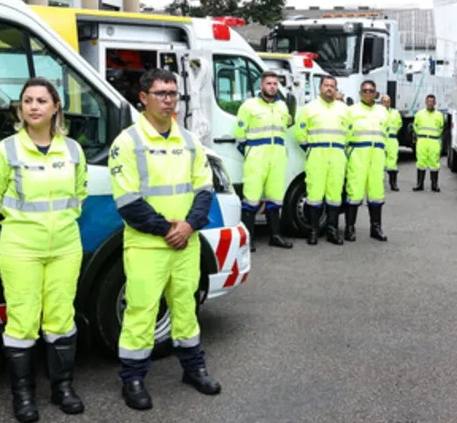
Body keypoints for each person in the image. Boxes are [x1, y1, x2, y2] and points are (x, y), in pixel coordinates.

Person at [109, 68, 220, 411]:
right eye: (160, 93)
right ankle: (133, 379)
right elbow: (127, 200)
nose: (169, 99)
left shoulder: (189, 140)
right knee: (141, 311)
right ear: (143, 98)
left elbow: (205, 189)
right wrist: (168, 229)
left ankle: (194, 368)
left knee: (186, 308)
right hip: (146, 245)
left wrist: (188, 227)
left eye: (173, 93)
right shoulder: (127, 142)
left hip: (185, 243)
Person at [0, 78, 87, 422]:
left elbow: (79, 196)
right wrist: (24, 229)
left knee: (61, 319)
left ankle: (63, 388)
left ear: (56, 106)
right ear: (20, 108)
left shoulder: (73, 150)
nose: (34, 107)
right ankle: (24, 396)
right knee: (23, 322)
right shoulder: (6, 151)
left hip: (66, 248)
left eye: (42, 100)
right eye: (27, 100)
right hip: (20, 249)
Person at [234, 70, 293, 251]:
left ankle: (275, 236)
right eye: (269, 83)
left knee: (275, 197)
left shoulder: (283, 106)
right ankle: (248, 240)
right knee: (251, 198)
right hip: (257, 155)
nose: (272, 87)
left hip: (278, 155)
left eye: (275, 84)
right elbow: (240, 136)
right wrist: (252, 152)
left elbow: (288, 125)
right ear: (261, 85)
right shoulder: (249, 106)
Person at [295, 75, 349, 246]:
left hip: (337, 154)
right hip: (317, 153)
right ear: (320, 88)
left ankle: (332, 231)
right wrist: (312, 149)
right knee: (314, 193)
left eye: (332, 86)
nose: (329, 88)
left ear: (336, 88)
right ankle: (313, 230)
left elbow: (350, 133)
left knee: (334, 194)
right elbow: (300, 134)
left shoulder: (344, 109)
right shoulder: (309, 108)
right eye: (326, 85)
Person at [343, 80, 389, 242]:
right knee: (354, 191)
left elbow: (387, 133)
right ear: (360, 93)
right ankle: (349, 228)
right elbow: (345, 134)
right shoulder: (351, 111)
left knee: (376, 192)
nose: (368, 93)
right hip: (358, 154)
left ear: (376, 93)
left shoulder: (383, 111)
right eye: (365, 91)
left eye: (371, 90)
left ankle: (376, 227)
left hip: (377, 155)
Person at [412, 94, 445, 192]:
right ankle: (419, 184)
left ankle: (434, 185)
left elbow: (441, 127)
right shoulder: (419, 114)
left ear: (435, 103)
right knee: (421, 162)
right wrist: (419, 135)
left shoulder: (439, 115)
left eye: (432, 101)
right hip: (422, 140)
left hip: (434, 141)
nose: (430, 103)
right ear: (426, 102)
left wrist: (436, 136)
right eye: (428, 101)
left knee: (434, 163)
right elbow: (415, 126)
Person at [381, 94, 402, 192]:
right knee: (379, 162)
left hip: (392, 139)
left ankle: (393, 184)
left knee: (392, 162)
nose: (386, 103)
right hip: (380, 139)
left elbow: (399, 124)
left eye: (388, 101)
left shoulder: (395, 113)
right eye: (384, 101)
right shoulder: (377, 112)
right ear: (381, 103)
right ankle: (378, 184)